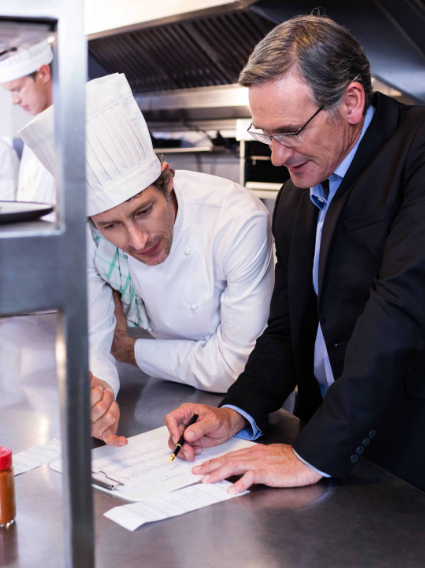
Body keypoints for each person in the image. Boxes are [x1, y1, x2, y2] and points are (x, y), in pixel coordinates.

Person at [164, 14, 425, 494]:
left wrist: (314, 454)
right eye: (266, 134)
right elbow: (287, 325)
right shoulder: (295, 194)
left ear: (351, 102)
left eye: (290, 132)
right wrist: (237, 410)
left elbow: (400, 308)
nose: (278, 156)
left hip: (407, 452)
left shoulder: (417, 149)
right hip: (321, 434)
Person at [19, 73, 274, 447]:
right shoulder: (87, 236)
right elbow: (94, 342)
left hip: (240, 409)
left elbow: (239, 366)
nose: (137, 240)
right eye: (111, 225)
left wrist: (127, 348)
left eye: (143, 211)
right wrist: (99, 399)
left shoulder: (235, 219)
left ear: (167, 181)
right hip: (166, 395)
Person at [0, 40, 55, 219]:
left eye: (17, 89)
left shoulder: (71, 131)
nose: (14, 100)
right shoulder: (34, 132)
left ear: (43, 73)